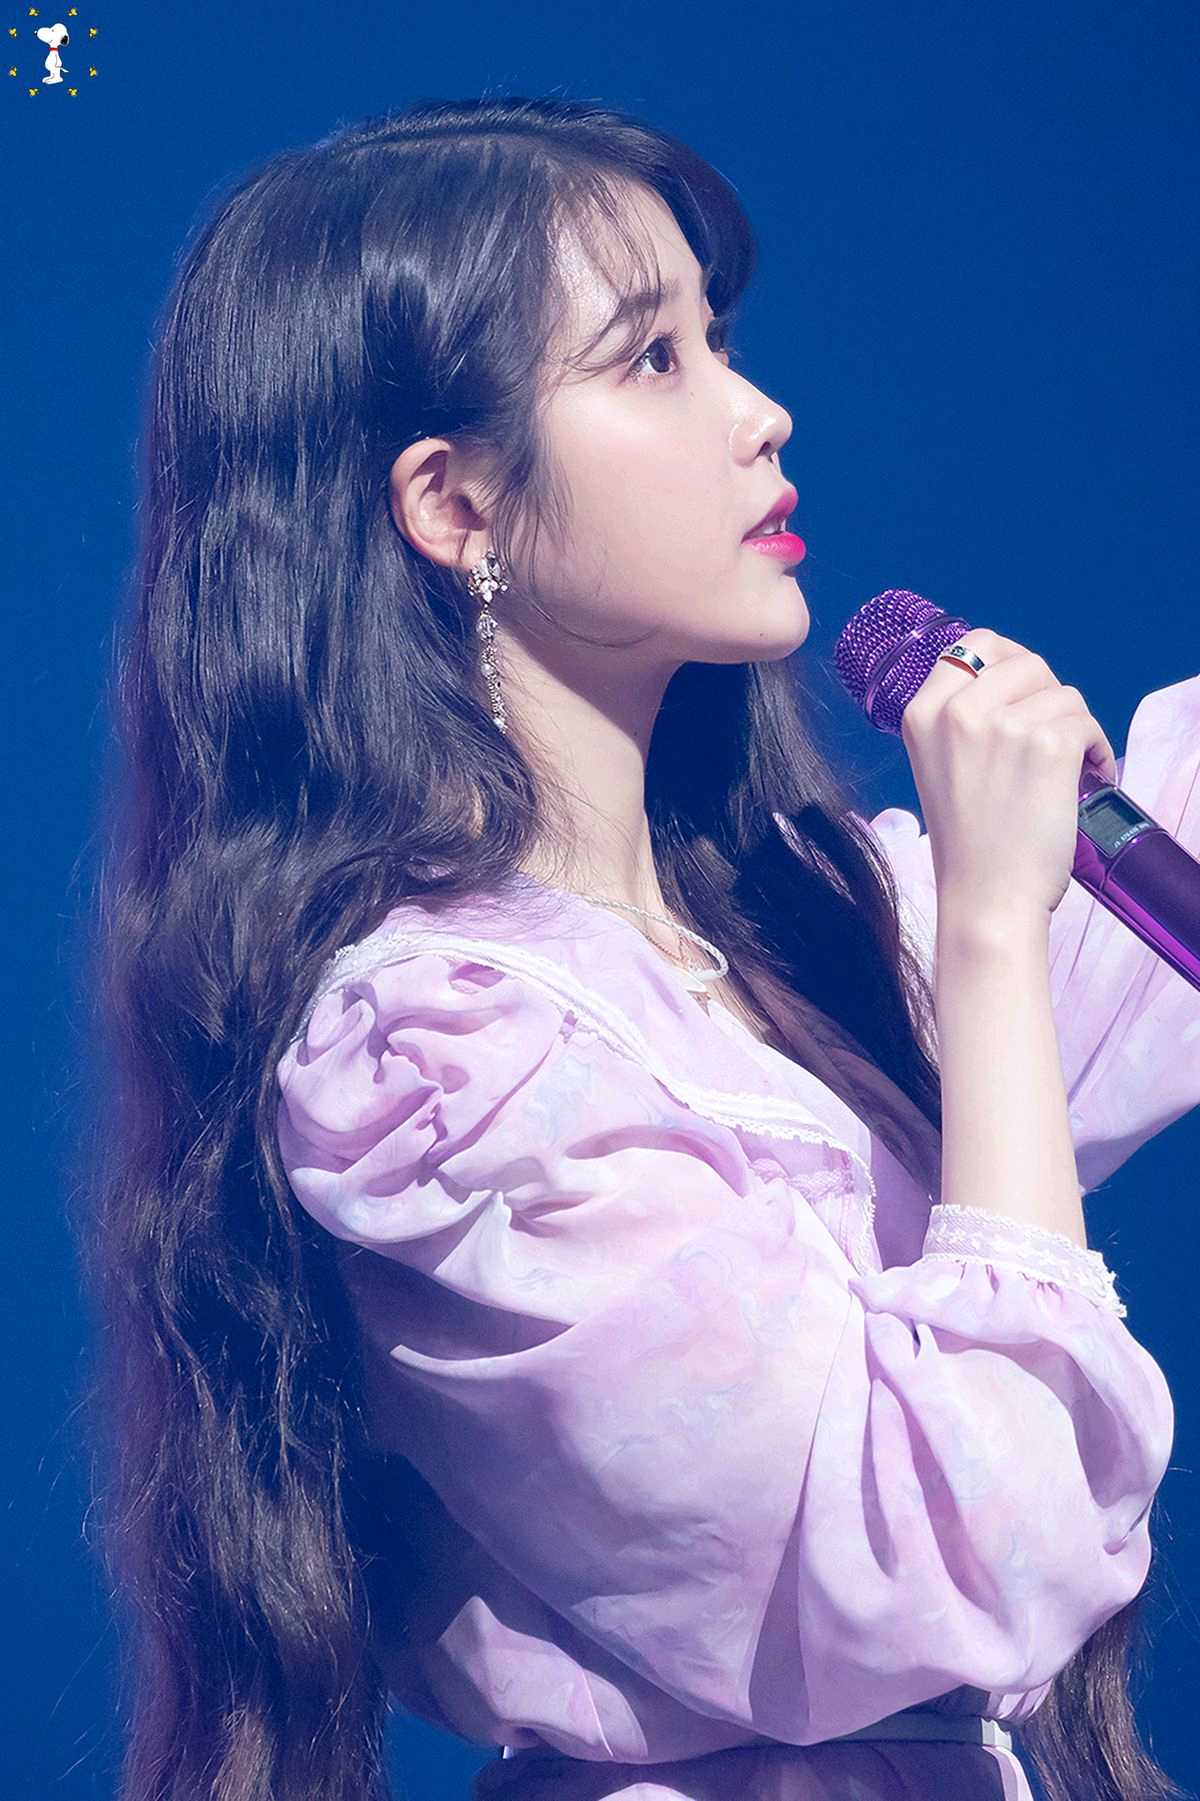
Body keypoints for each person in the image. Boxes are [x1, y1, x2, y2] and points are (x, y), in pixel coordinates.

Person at [85, 96, 1199, 1801]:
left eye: (721, 340)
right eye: (654, 358)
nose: (761, 414)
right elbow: (944, 1564)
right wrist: (992, 932)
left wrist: (1014, 888)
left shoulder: (817, 936)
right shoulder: (446, 1052)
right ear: (455, 503)